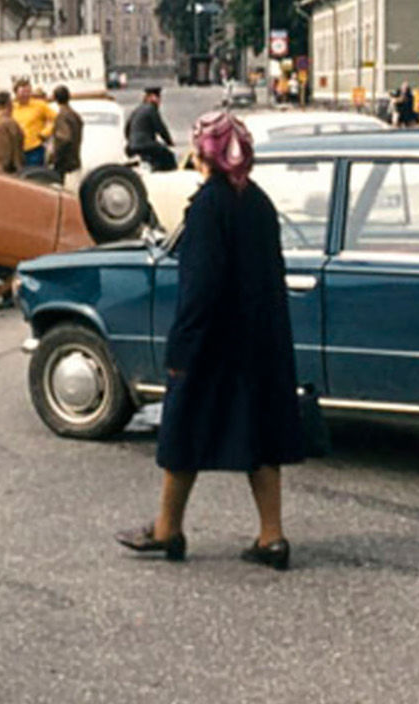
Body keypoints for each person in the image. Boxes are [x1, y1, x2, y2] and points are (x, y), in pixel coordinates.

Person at [116, 111, 304, 570]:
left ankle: (168, 530)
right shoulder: (258, 202)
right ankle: (272, 537)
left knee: (182, 431)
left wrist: (181, 350)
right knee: (261, 436)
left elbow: (198, 289)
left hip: (213, 343)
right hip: (260, 341)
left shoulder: (207, 207)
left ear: (207, 155)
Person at [126, 86, 177, 171]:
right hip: (145, 144)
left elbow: (127, 128)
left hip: (132, 146)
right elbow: (160, 128)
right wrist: (169, 142)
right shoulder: (151, 109)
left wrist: (131, 140)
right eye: (158, 98)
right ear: (151, 98)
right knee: (168, 156)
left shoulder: (137, 109)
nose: (159, 101)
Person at [11, 78, 55, 168]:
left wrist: (45, 133)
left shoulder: (40, 105)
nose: (26, 95)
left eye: (28, 92)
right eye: (23, 92)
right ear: (16, 93)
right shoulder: (11, 107)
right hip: (16, 149)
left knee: (34, 177)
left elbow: (57, 119)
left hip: (35, 148)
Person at [47, 85, 84, 183]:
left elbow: (64, 138)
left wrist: (54, 157)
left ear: (54, 98)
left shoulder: (62, 116)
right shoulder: (75, 115)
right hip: (74, 159)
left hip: (64, 164)